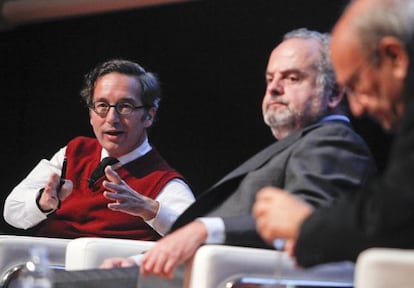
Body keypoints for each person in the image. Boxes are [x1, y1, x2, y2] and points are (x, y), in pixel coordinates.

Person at [99, 28, 377, 284]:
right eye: (270, 78)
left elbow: (307, 222)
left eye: (292, 78)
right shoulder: (297, 146)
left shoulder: (334, 141)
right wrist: (142, 261)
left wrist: (205, 229)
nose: (274, 88)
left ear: (334, 92)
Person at [253, 0, 414, 268]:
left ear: (394, 57)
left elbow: (398, 213)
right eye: (270, 79)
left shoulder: (332, 140)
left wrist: (307, 225)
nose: (358, 108)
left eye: (356, 84)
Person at [3, 59, 195, 240]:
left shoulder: (165, 182)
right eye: (102, 105)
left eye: (125, 106)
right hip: (47, 264)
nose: (112, 118)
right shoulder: (74, 152)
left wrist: (149, 209)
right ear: (90, 113)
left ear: (148, 116)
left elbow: (196, 235)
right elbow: (12, 211)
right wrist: (42, 203)